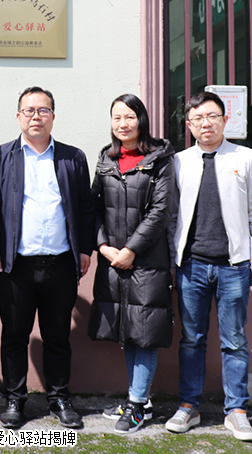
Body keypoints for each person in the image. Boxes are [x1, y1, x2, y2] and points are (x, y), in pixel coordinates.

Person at [0, 86, 95, 429]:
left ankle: (59, 398)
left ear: (53, 116)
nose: (36, 116)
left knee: (58, 337)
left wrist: (85, 249)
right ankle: (14, 399)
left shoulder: (72, 158)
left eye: (43, 110)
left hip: (61, 264)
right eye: (29, 110)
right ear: (19, 116)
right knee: (14, 336)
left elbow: (86, 207)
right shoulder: (1, 155)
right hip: (16, 265)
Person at [166, 91, 252, 442]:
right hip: (191, 265)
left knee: (235, 340)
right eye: (198, 118)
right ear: (189, 125)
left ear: (226, 119)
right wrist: (172, 257)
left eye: (212, 116)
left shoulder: (245, 157)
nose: (206, 123)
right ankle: (189, 406)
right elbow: (172, 216)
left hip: (233, 266)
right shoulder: (179, 161)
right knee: (191, 340)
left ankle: (237, 411)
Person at [87, 94, 175, 434]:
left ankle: (137, 405)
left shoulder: (160, 158)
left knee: (144, 334)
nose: (123, 124)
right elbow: (93, 208)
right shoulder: (106, 159)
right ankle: (140, 399)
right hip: (113, 259)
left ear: (141, 119)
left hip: (147, 262)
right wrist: (103, 247)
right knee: (127, 329)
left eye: (129, 117)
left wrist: (131, 250)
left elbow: (161, 211)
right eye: (117, 118)